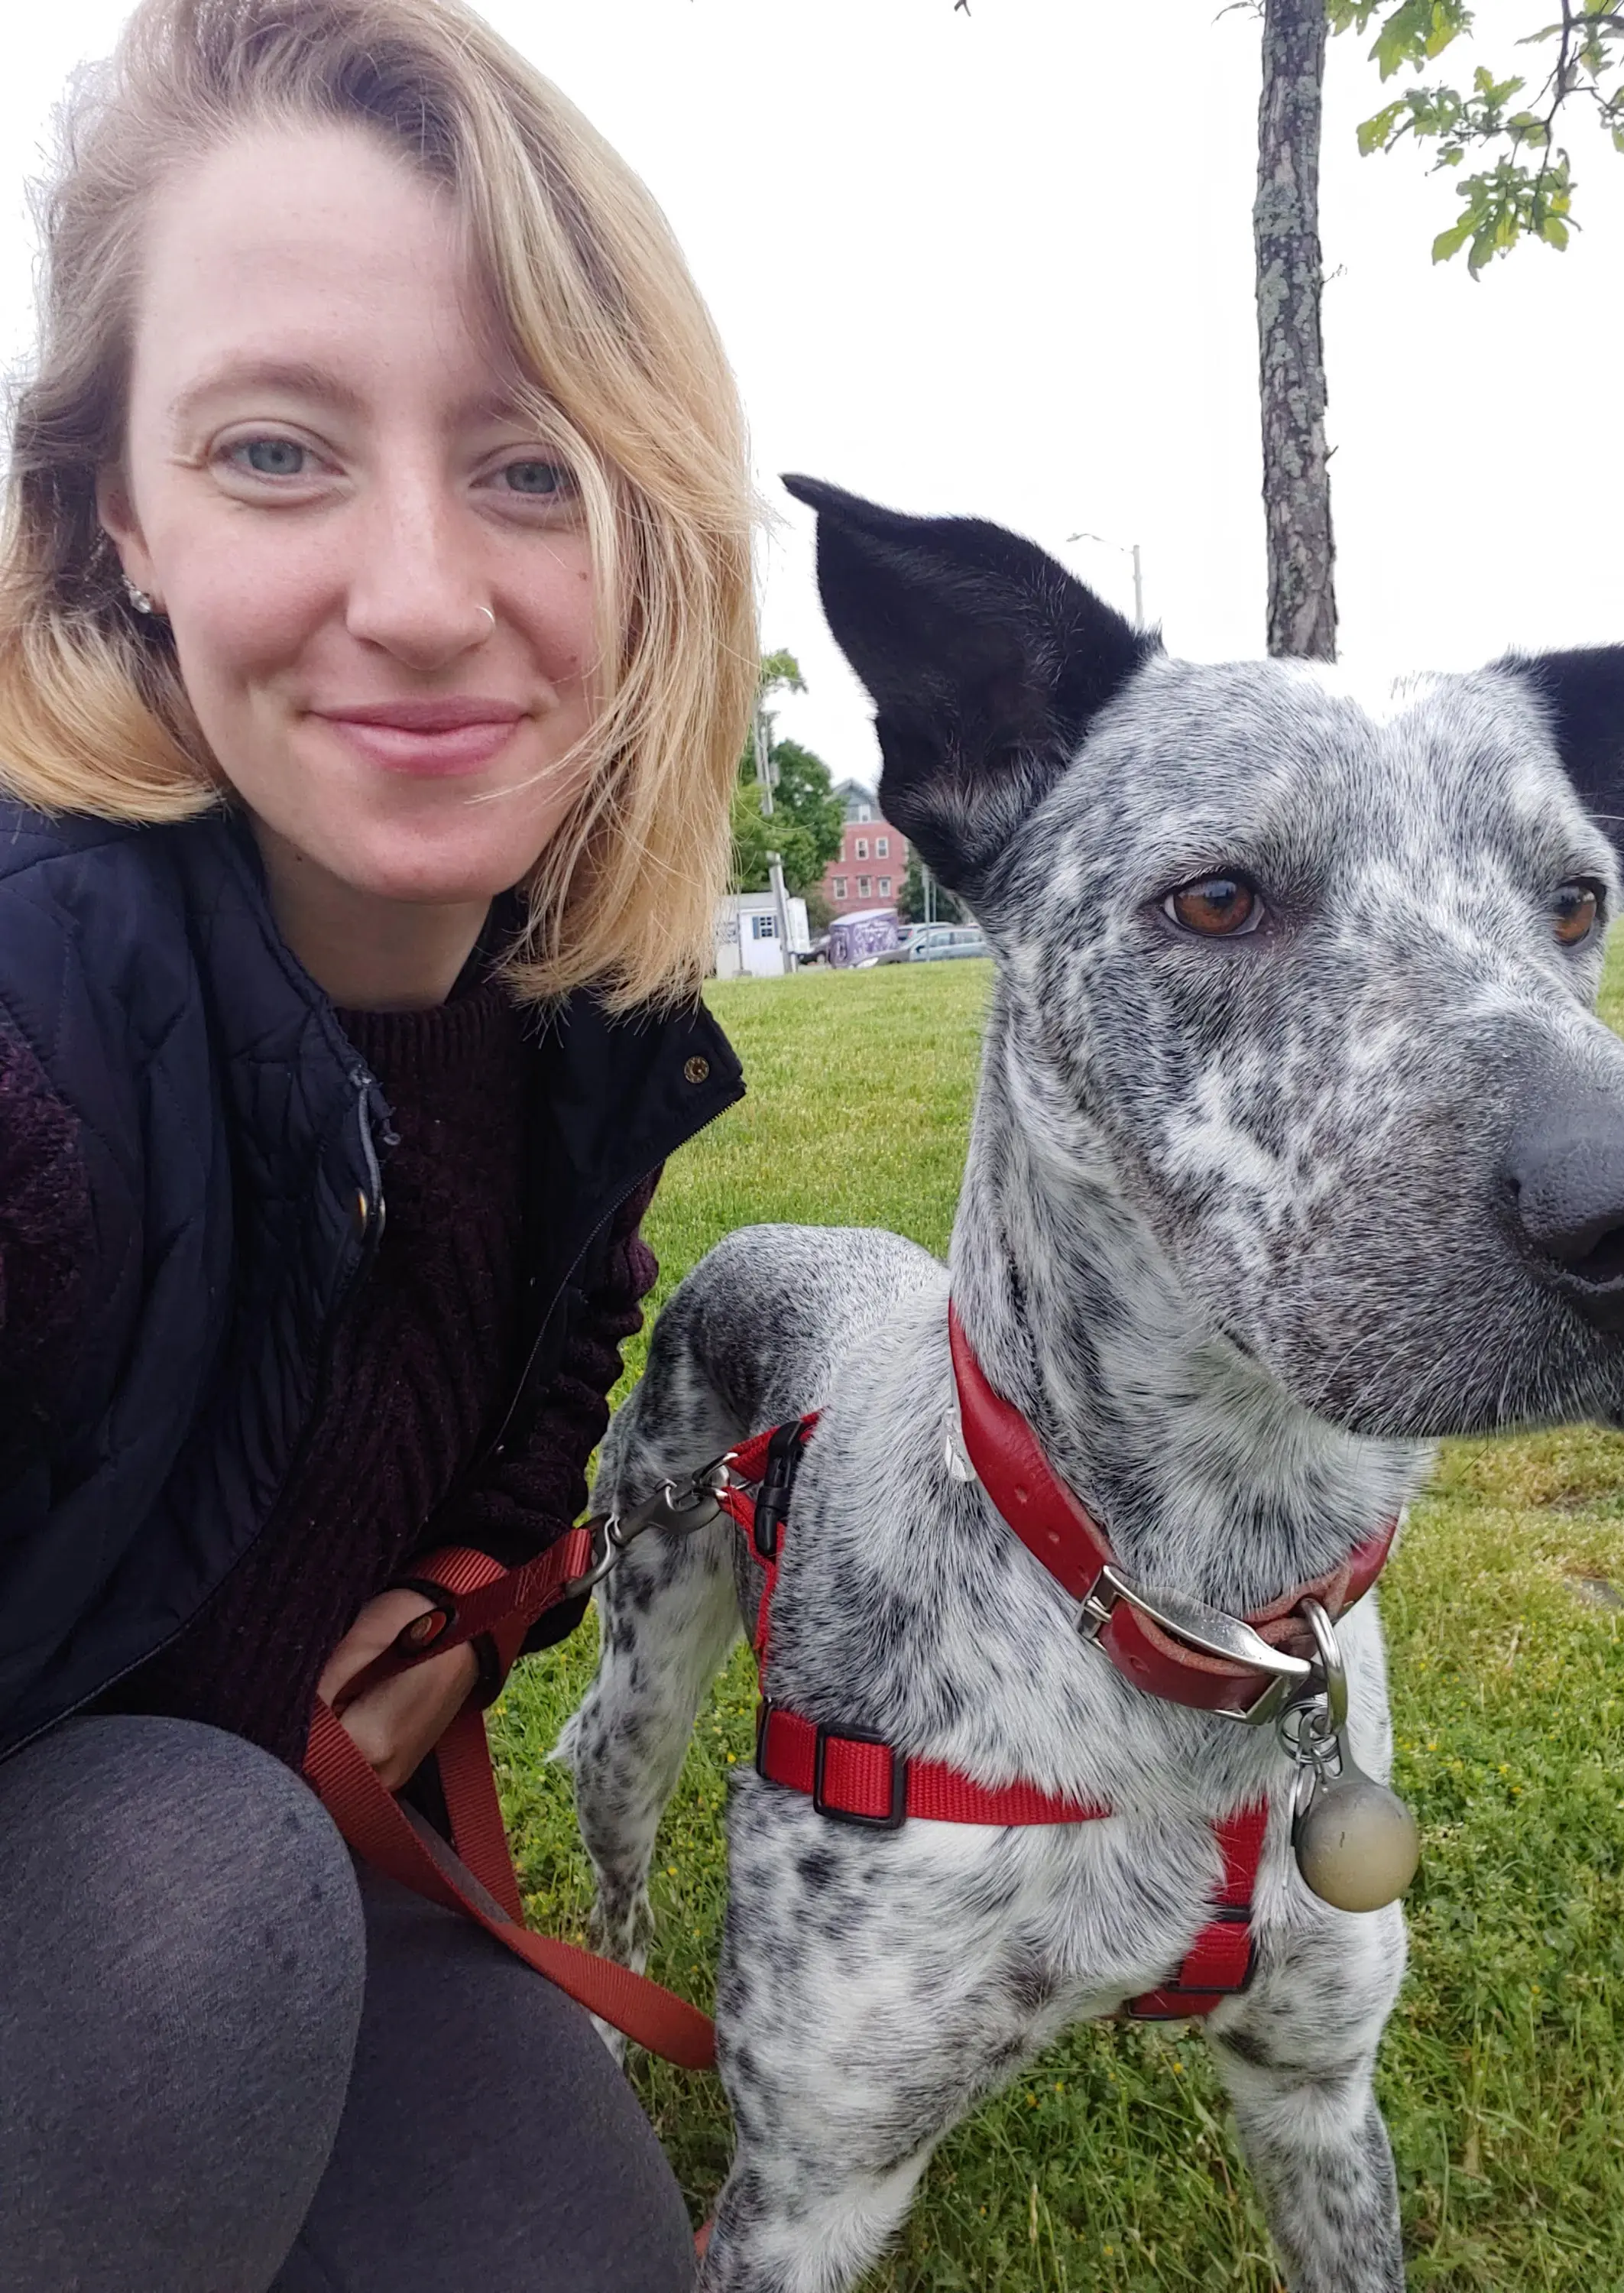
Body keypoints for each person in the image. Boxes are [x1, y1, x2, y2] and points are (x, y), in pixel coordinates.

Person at [0, 1, 754, 2285]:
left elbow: (527, 1439)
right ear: (114, 516)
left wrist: (451, 1604)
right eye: (272, 451)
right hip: (141, 1927)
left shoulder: (576, 1022)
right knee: (199, 1875)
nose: (425, 596)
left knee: (554, 2214)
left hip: (243, 1923)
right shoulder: (36, 1041)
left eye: (528, 464)